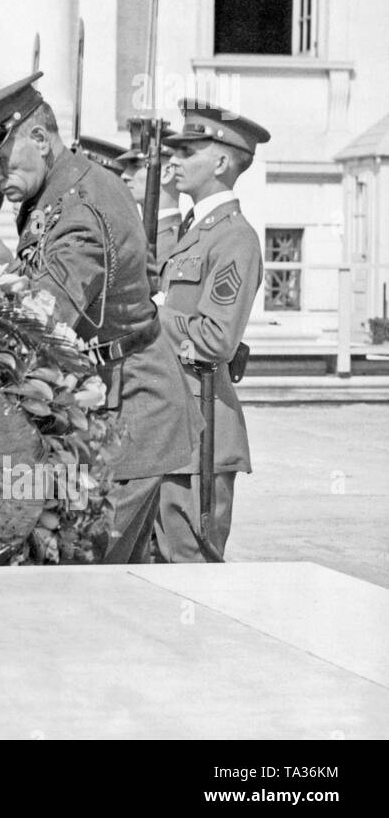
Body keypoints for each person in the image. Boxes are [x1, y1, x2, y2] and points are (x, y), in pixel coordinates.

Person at [0, 74, 202, 563]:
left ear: (39, 138)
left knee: (88, 564)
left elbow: (43, 316)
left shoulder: (82, 205)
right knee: (100, 571)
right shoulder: (57, 190)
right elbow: (29, 280)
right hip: (104, 394)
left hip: (133, 406)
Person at [155, 103, 270, 562]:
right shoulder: (195, 231)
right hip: (174, 425)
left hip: (202, 431)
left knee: (189, 567)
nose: (175, 161)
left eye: (188, 151)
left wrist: (154, 312)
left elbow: (216, 338)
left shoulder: (235, 238)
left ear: (221, 163)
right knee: (157, 566)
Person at [118, 120, 181, 269]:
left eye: (135, 166)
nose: (125, 175)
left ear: (166, 172)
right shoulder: (132, 235)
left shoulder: (176, 243)